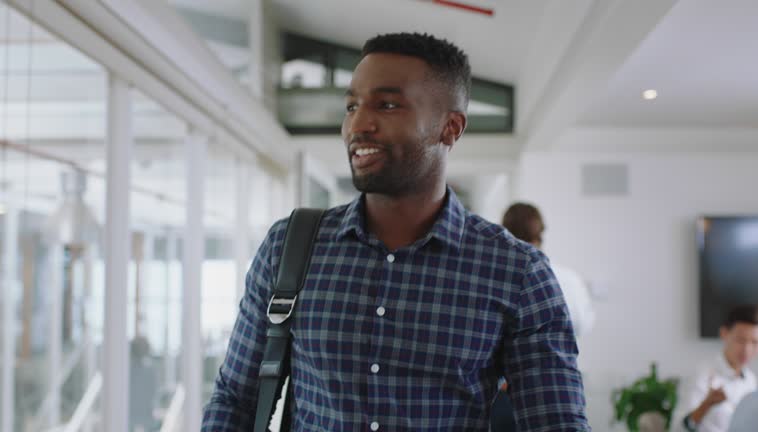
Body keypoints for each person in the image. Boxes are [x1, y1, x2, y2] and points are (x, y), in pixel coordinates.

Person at [202, 32, 589, 431]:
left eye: (387, 105)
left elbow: (556, 423)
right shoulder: (290, 248)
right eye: (352, 105)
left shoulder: (517, 273)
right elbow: (235, 399)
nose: (358, 124)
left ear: (450, 128)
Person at [501, 202, 595, 337]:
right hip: (562, 355)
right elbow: (581, 324)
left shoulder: (497, 279)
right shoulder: (567, 278)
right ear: (541, 232)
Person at [675, 305, 758, 432]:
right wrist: (706, 404)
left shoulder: (750, 380)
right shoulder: (702, 374)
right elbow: (678, 429)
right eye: (740, 340)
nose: (747, 350)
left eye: (755, 342)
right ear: (724, 334)